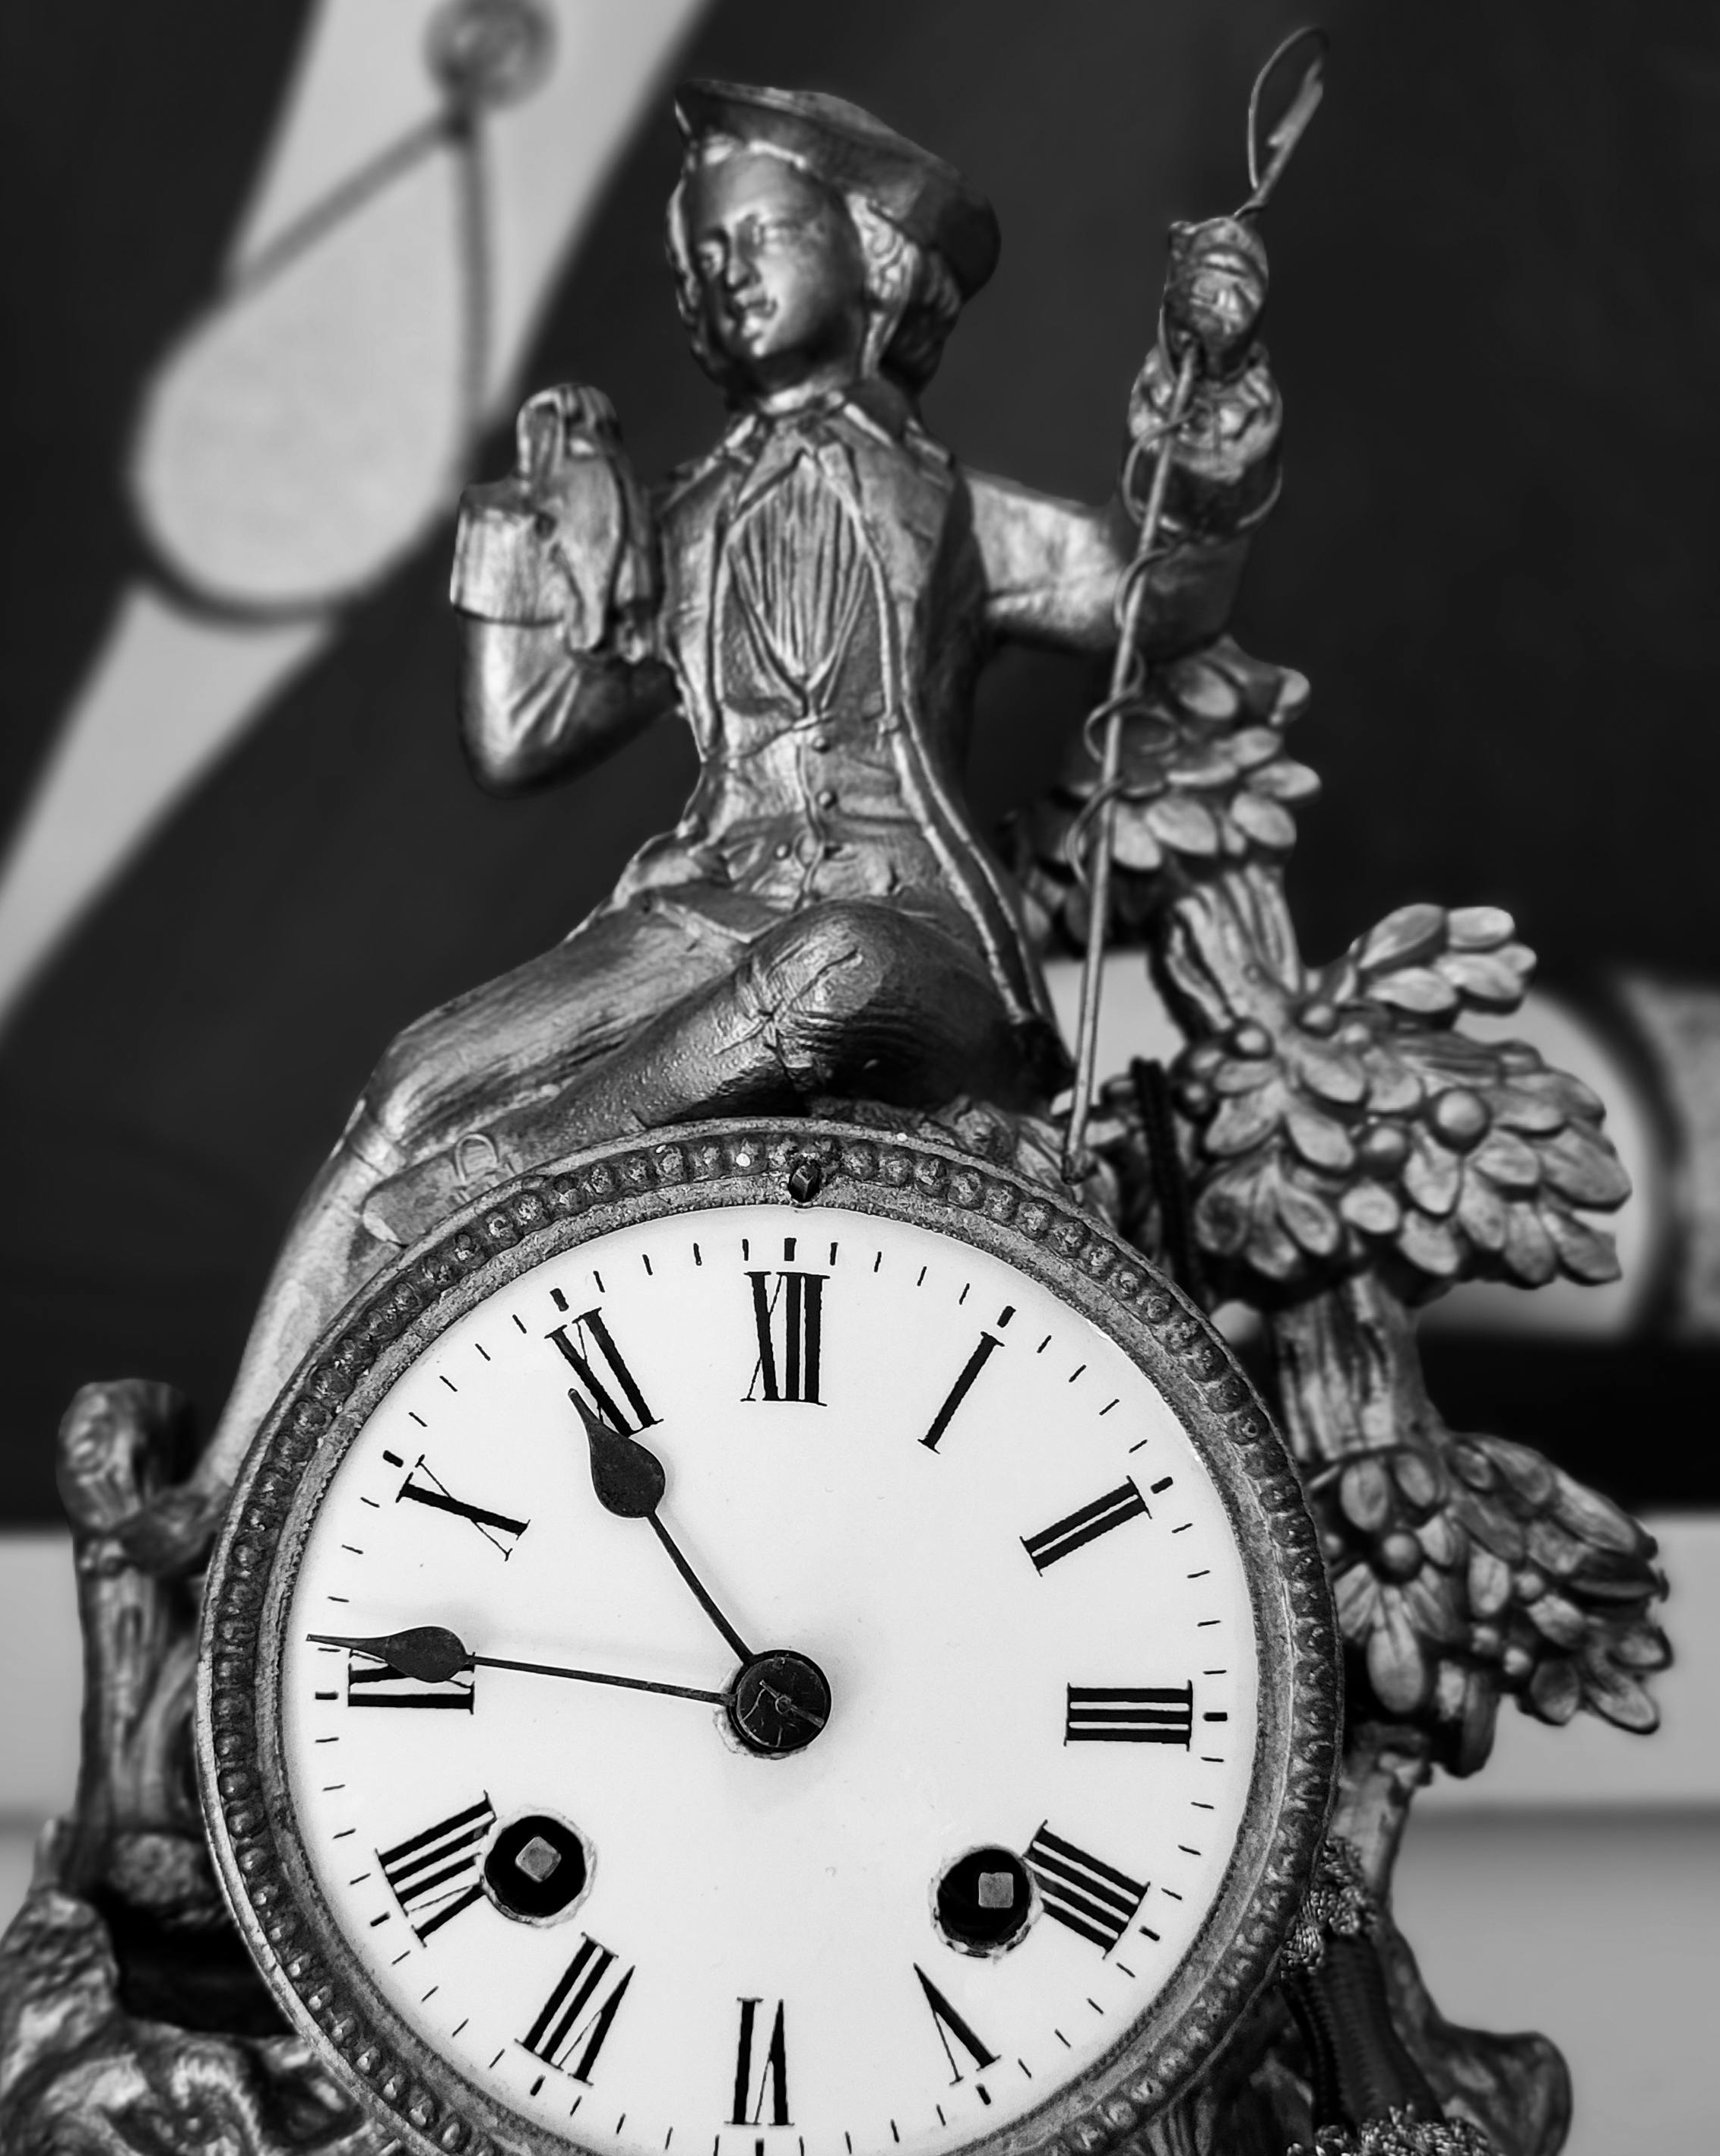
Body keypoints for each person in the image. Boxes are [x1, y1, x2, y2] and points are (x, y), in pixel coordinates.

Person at [129, 80, 1281, 1562]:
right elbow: (521, 734)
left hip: (901, 931)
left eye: (756, 236)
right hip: (707, 903)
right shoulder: (676, 520)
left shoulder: (962, 512)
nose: (718, 274)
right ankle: (226, 1488)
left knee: (834, 967)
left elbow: (1162, 600)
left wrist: (1217, 384)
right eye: (697, 259)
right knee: (415, 1076)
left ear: (871, 258)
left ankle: (502, 1179)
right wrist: (519, 530)